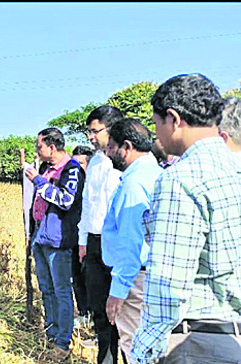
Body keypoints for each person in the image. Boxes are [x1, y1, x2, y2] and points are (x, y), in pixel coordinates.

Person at [131, 73, 241, 363]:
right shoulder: (234, 169)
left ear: (173, 119)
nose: (157, 136)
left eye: (156, 125)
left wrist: (145, 350)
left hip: (194, 342)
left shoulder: (181, 179)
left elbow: (169, 283)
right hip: (232, 336)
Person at [101, 118, 162, 363]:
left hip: (135, 278)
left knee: (135, 346)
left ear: (126, 147)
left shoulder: (133, 185)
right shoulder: (156, 174)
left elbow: (130, 242)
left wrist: (118, 290)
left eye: (111, 147)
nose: (108, 153)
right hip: (152, 274)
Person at [26, 127, 85, 361]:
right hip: (41, 234)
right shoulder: (46, 168)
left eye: (39, 146)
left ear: (52, 147)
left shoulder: (72, 170)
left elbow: (66, 200)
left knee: (61, 291)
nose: (37, 151)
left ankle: (62, 341)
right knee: (46, 288)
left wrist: (40, 181)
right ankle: (50, 334)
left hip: (59, 238)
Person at [77, 105, 124, 364]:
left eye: (95, 131)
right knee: (99, 308)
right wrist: (83, 241)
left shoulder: (123, 161)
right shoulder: (94, 162)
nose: (91, 137)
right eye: (89, 133)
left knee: (121, 311)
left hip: (116, 243)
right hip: (94, 243)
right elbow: (88, 203)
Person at [70, 145, 93, 327]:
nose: (78, 168)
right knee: (77, 277)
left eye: (82, 163)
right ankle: (84, 313)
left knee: (92, 278)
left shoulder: (94, 185)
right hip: (75, 237)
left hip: (92, 238)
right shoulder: (70, 184)